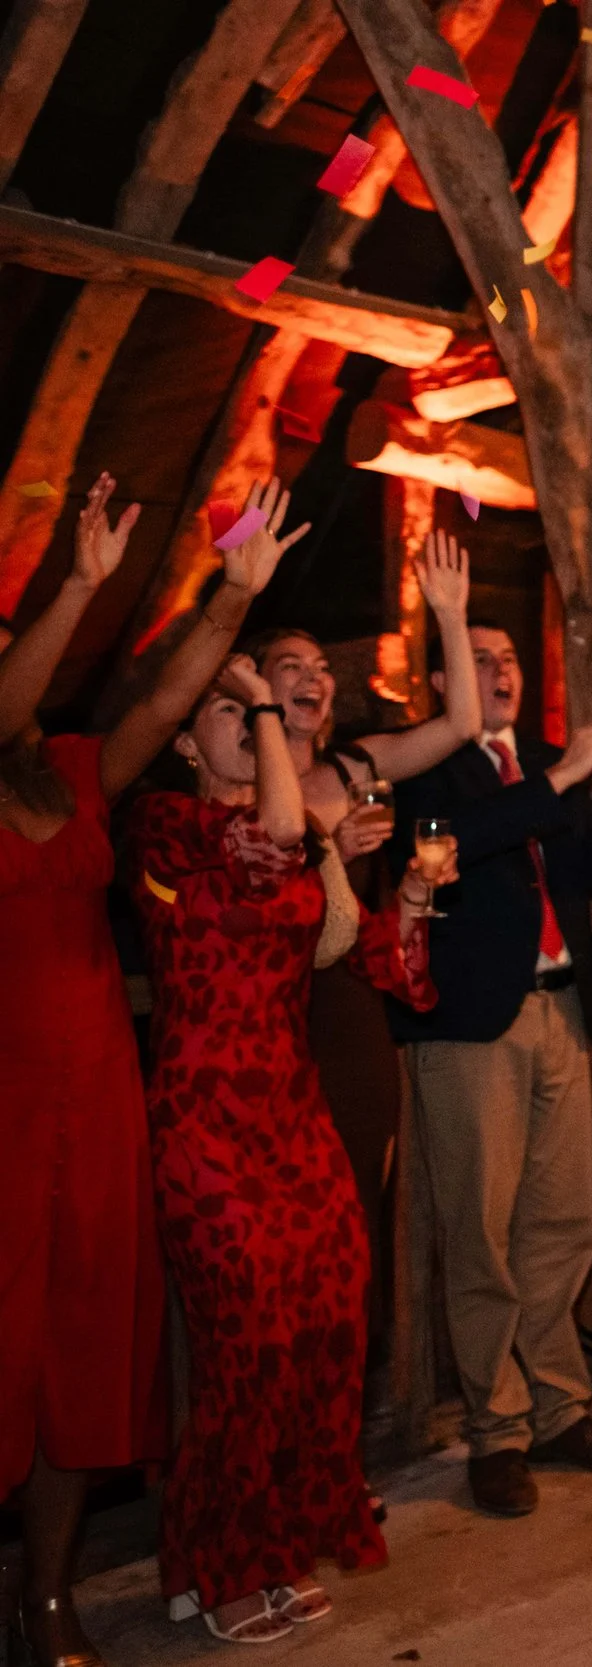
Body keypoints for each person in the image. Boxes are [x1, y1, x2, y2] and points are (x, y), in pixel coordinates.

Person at [0, 476, 290, 1667]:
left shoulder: (72, 767)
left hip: (98, 1096)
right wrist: (76, 582)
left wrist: (232, 597)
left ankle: (49, 1593)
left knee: (80, 1346)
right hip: (5, 1102)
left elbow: (173, 690)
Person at [128, 653, 437, 1643]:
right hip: (206, 1114)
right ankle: (222, 1563)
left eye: (251, 707)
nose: (249, 721)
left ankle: (248, 1546)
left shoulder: (300, 841)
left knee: (325, 1323)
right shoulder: (167, 823)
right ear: (184, 736)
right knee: (243, 1340)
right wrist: (270, 704)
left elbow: (355, 943)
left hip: (293, 1108)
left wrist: (402, 891)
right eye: (226, 706)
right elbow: (265, 834)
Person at [388, 624, 592, 1517]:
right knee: (481, 1233)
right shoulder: (427, 764)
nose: (502, 672)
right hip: (473, 1022)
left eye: (511, 657)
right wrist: (556, 781)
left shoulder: (535, 756)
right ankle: (496, 1431)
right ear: (443, 680)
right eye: (481, 661)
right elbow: (448, 846)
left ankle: (561, 1409)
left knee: (563, 1224)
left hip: (562, 1008)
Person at [243, 531, 481, 1370]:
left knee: (352, 1223)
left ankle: (341, 1435)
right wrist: (330, 859)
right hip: (260, 1019)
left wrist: (448, 613)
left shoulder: (355, 767)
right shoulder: (236, 790)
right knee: (272, 1241)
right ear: (251, 691)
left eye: (322, 668)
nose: (314, 679)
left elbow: (461, 722)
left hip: (344, 1016)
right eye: (290, 668)